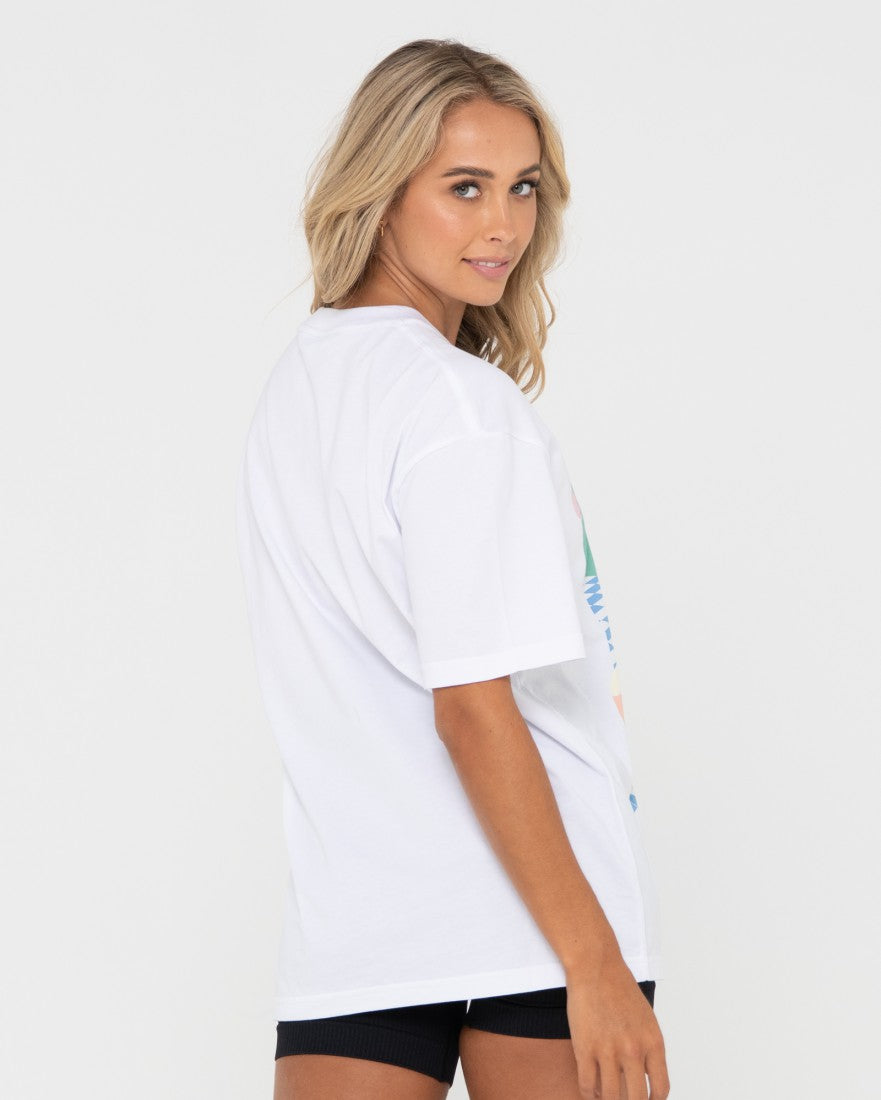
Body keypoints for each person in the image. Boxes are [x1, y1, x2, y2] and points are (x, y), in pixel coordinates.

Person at [235, 38, 670, 1100]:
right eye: (464, 187)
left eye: (523, 187)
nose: (503, 225)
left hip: (359, 925)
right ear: (381, 188)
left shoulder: (298, 387)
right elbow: (472, 708)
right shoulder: (457, 404)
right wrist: (594, 960)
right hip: (539, 926)